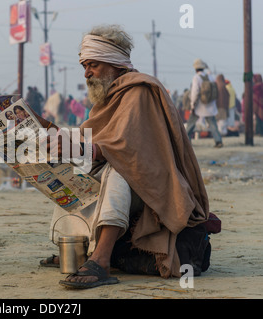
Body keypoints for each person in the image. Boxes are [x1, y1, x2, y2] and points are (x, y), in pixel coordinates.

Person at [33, 24, 212, 289]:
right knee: (72, 173)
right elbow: (89, 140)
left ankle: (102, 259)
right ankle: (76, 249)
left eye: (92, 65)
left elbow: (132, 151)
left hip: (156, 187)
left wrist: (85, 149)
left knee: (119, 169)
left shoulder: (141, 91)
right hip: (130, 183)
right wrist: (43, 129)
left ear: (113, 62)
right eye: (84, 66)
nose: (87, 73)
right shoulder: (108, 98)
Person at [185, 59, 223, 148]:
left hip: (199, 106)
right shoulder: (210, 77)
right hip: (210, 105)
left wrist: (192, 105)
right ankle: (218, 141)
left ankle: (186, 142)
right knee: (213, 124)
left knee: (191, 124)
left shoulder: (196, 77)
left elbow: (195, 92)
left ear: (196, 69)